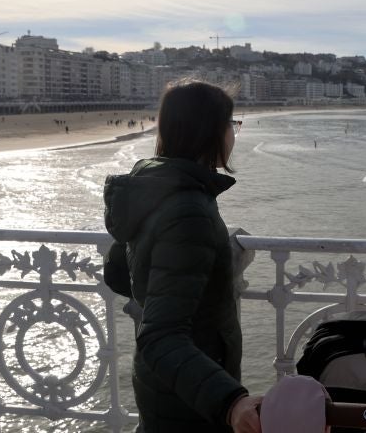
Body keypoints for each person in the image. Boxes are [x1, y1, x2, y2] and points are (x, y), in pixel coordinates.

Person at [102, 79, 261, 433]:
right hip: (191, 402)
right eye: (230, 124)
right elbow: (161, 336)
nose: (234, 134)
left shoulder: (151, 190)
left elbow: (116, 274)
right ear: (210, 131)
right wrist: (231, 402)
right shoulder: (190, 211)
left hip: (161, 389)